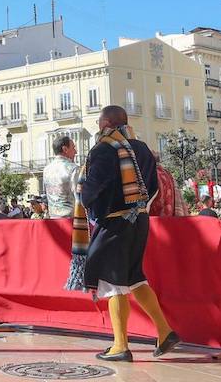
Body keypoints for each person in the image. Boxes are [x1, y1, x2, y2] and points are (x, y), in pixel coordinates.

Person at [66, 105, 179, 362]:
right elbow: (153, 186)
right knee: (135, 279)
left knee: (112, 282)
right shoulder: (141, 147)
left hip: (115, 223)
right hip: (139, 221)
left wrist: (85, 199)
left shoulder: (104, 148)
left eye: (98, 122)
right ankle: (165, 332)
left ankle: (120, 346)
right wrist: (137, 207)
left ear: (105, 123)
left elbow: (93, 187)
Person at [42, 136, 80, 217]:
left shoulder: (46, 169)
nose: (75, 152)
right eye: (73, 148)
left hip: (54, 221)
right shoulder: (73, 168)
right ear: (65, 149)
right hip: (71, 220)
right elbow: (79, 197)